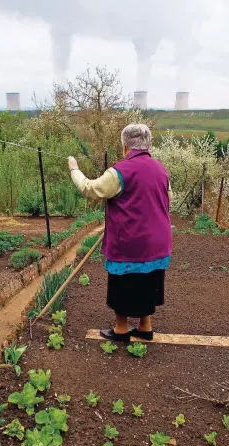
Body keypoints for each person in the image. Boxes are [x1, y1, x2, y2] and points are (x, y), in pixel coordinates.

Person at [68, 123, 172, 342]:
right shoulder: (161, 169)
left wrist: (74, 169)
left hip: (129, 240)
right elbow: (165, 197)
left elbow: (90, 188)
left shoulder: (119, 172)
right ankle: (145, 327)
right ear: (148, 144)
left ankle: (121, 329)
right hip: (158, 240)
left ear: (125, 146)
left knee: (122, 283)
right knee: (148, 281)